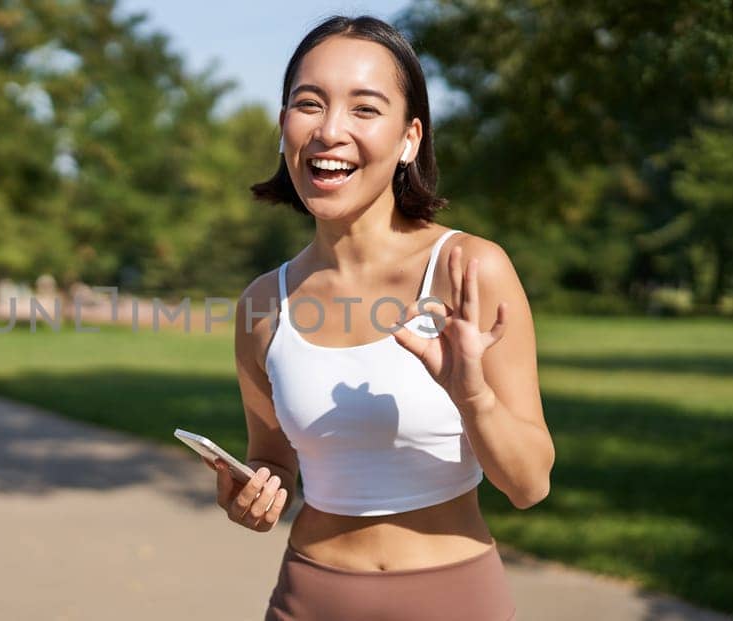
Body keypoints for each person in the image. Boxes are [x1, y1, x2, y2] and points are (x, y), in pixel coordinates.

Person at [199, 15, 554, 621]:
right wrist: (252, 491)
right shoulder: (262, 303)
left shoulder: (469, 269)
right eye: (308, 104)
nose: (329, 130)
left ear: (409, 139)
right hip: (308, 597)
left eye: (364, 109)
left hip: (453, 599)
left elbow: (529, 485)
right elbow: (274, 460)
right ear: (284, 125)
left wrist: (473, 397)